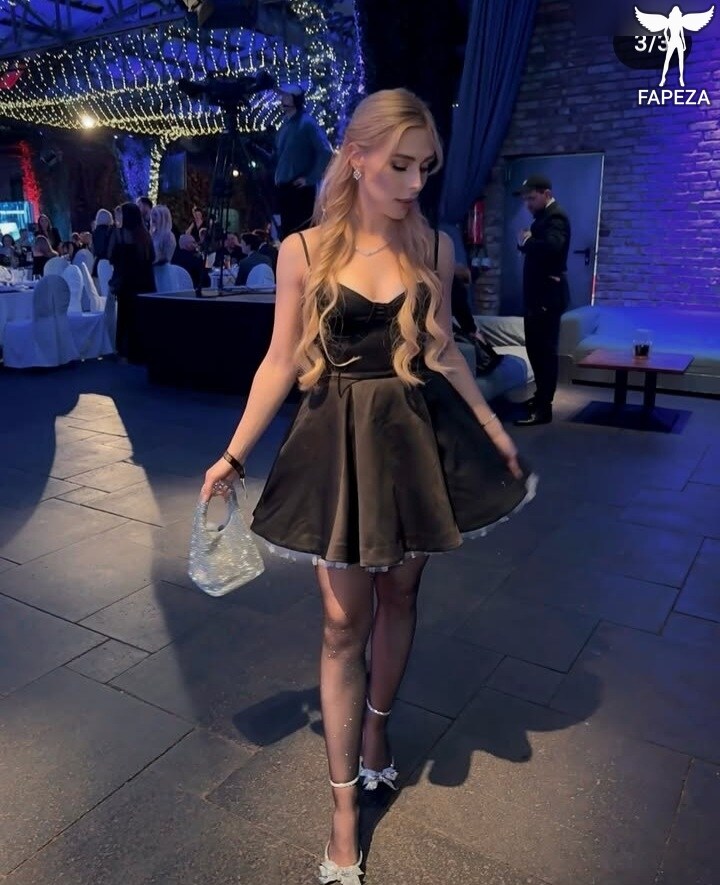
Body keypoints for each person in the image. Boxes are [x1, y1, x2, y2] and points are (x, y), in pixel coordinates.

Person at [200, 89, 535, 885]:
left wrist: (491, 427)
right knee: (341, 622)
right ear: (355, 158)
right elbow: (280, 360)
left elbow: (444, 349)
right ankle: (345, 809)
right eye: (400, 165)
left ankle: (378, 729)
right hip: (337, 445)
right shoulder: (303, 250)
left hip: (414, 441)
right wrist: (234, 454)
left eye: (426, 168)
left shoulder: (434, 247)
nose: (416, 183)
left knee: (401, 595)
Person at [513, 174, 571, 426]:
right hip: (539, 296)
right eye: (526, 199)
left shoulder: (556, 217)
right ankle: (540, 398)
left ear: (546, 194)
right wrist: (526, 243)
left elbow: (553, 248)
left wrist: (527, 242)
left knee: (544, 353)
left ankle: (544, 408)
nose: (528, 204)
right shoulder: (544, 217)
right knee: (536, 350)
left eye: (532, 198)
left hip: (547, 297)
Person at [274, 85, 333, 239]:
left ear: (296, 99)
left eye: (287, 96)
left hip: (299, 190)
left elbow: (325, 151)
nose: (282, 99)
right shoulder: (285, 125)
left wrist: (310, 178)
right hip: (284, 189)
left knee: (300, 235)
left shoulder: (307, 123)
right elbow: (279, 158)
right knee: (288, 236)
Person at [108, 202, 155, 362]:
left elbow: (111, 257)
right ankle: (142, 350)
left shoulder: (119, 234)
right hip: (144, 281)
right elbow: (151, 257)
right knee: (141, 316)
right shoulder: (145, 235)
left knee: (125, 316)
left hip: (126, 281)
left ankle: (125, 350)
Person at [92, 208, 114, 275]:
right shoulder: (111, 231)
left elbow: (94, 248)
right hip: (109, 261)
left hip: (98, 262)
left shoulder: (95, 232)